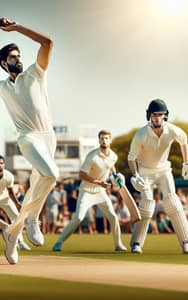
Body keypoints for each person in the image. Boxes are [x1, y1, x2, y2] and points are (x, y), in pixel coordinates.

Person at [0, 18, 59, 264]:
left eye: (19, 56)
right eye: (13, 57)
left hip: (48, 137)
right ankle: (31, 219)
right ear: (4, 63)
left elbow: (48, 42)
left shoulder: (35, 73)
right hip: (27, 138)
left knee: (34, 190)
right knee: (52, 175)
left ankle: (12, 233)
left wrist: (17, 27)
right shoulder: (0, 86)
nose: (18, 59)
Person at [128, 99, 188, 254]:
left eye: (160, 115)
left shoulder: (172, 130)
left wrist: (186, 164)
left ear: (165, 116)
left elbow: (184, 141)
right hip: (145, 172)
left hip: (163, 170)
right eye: (154, 114)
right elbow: (131, 157)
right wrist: (135, 175)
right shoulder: (141, 134)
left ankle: (186, 242)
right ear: (149, 115)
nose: (157, 118)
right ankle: (136, 243)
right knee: (147, 205)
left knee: (173, 203)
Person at [52, 130, 127, 252]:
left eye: (107, 138)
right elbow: (81, 175)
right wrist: (99, 182)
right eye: (102, 138)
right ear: (99, 140)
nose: (104, 140)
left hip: (100, 192)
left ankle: (118, 244)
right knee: (79, 218)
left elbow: (111, 168)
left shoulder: (114, 156)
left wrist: (116, 177)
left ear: (110, 140)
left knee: (113, 217)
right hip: (86, 190)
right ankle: (58, 242)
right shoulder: (92, 155)